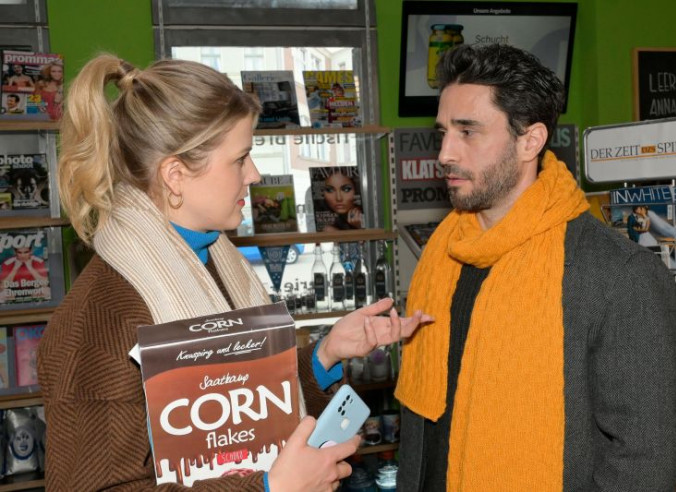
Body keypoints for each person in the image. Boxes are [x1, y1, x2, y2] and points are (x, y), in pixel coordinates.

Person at [38, 53, 432, 491]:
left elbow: (241, 405)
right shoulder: (97, 319)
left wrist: (324, 355)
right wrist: (268, 488)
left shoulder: (217, 260)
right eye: (240, 158)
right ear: (175, 175)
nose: (255, 175)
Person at [394, 44, 676, 491]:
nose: (446, 153)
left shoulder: (620, 274)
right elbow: (425, 427)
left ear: (530, 140)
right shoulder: (443, 254)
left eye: (468, 132)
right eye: (444, 132)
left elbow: (648, 461)